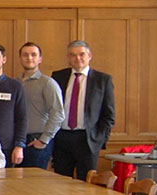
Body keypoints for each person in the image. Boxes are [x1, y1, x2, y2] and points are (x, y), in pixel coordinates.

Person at [51, 40, 115, 180]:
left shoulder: (103, 80)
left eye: (81, 54)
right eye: (73, 55)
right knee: (60, 185)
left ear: (90, 56)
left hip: (88, 140)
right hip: (62, 138)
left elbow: (109, 115)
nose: (77, 58)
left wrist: (99, 139)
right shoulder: (58, 76)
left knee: (87, 186)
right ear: (68, 58)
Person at [18, 42, 65, 170]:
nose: (29, 58)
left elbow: (58, 114)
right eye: (25, 55)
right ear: (20, 58)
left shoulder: (48, 83)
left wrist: (44, 140)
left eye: (33, 55)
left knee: (35, 184)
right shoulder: (15, 83)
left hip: (37, 140)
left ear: (40, 59)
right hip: (18, 141)